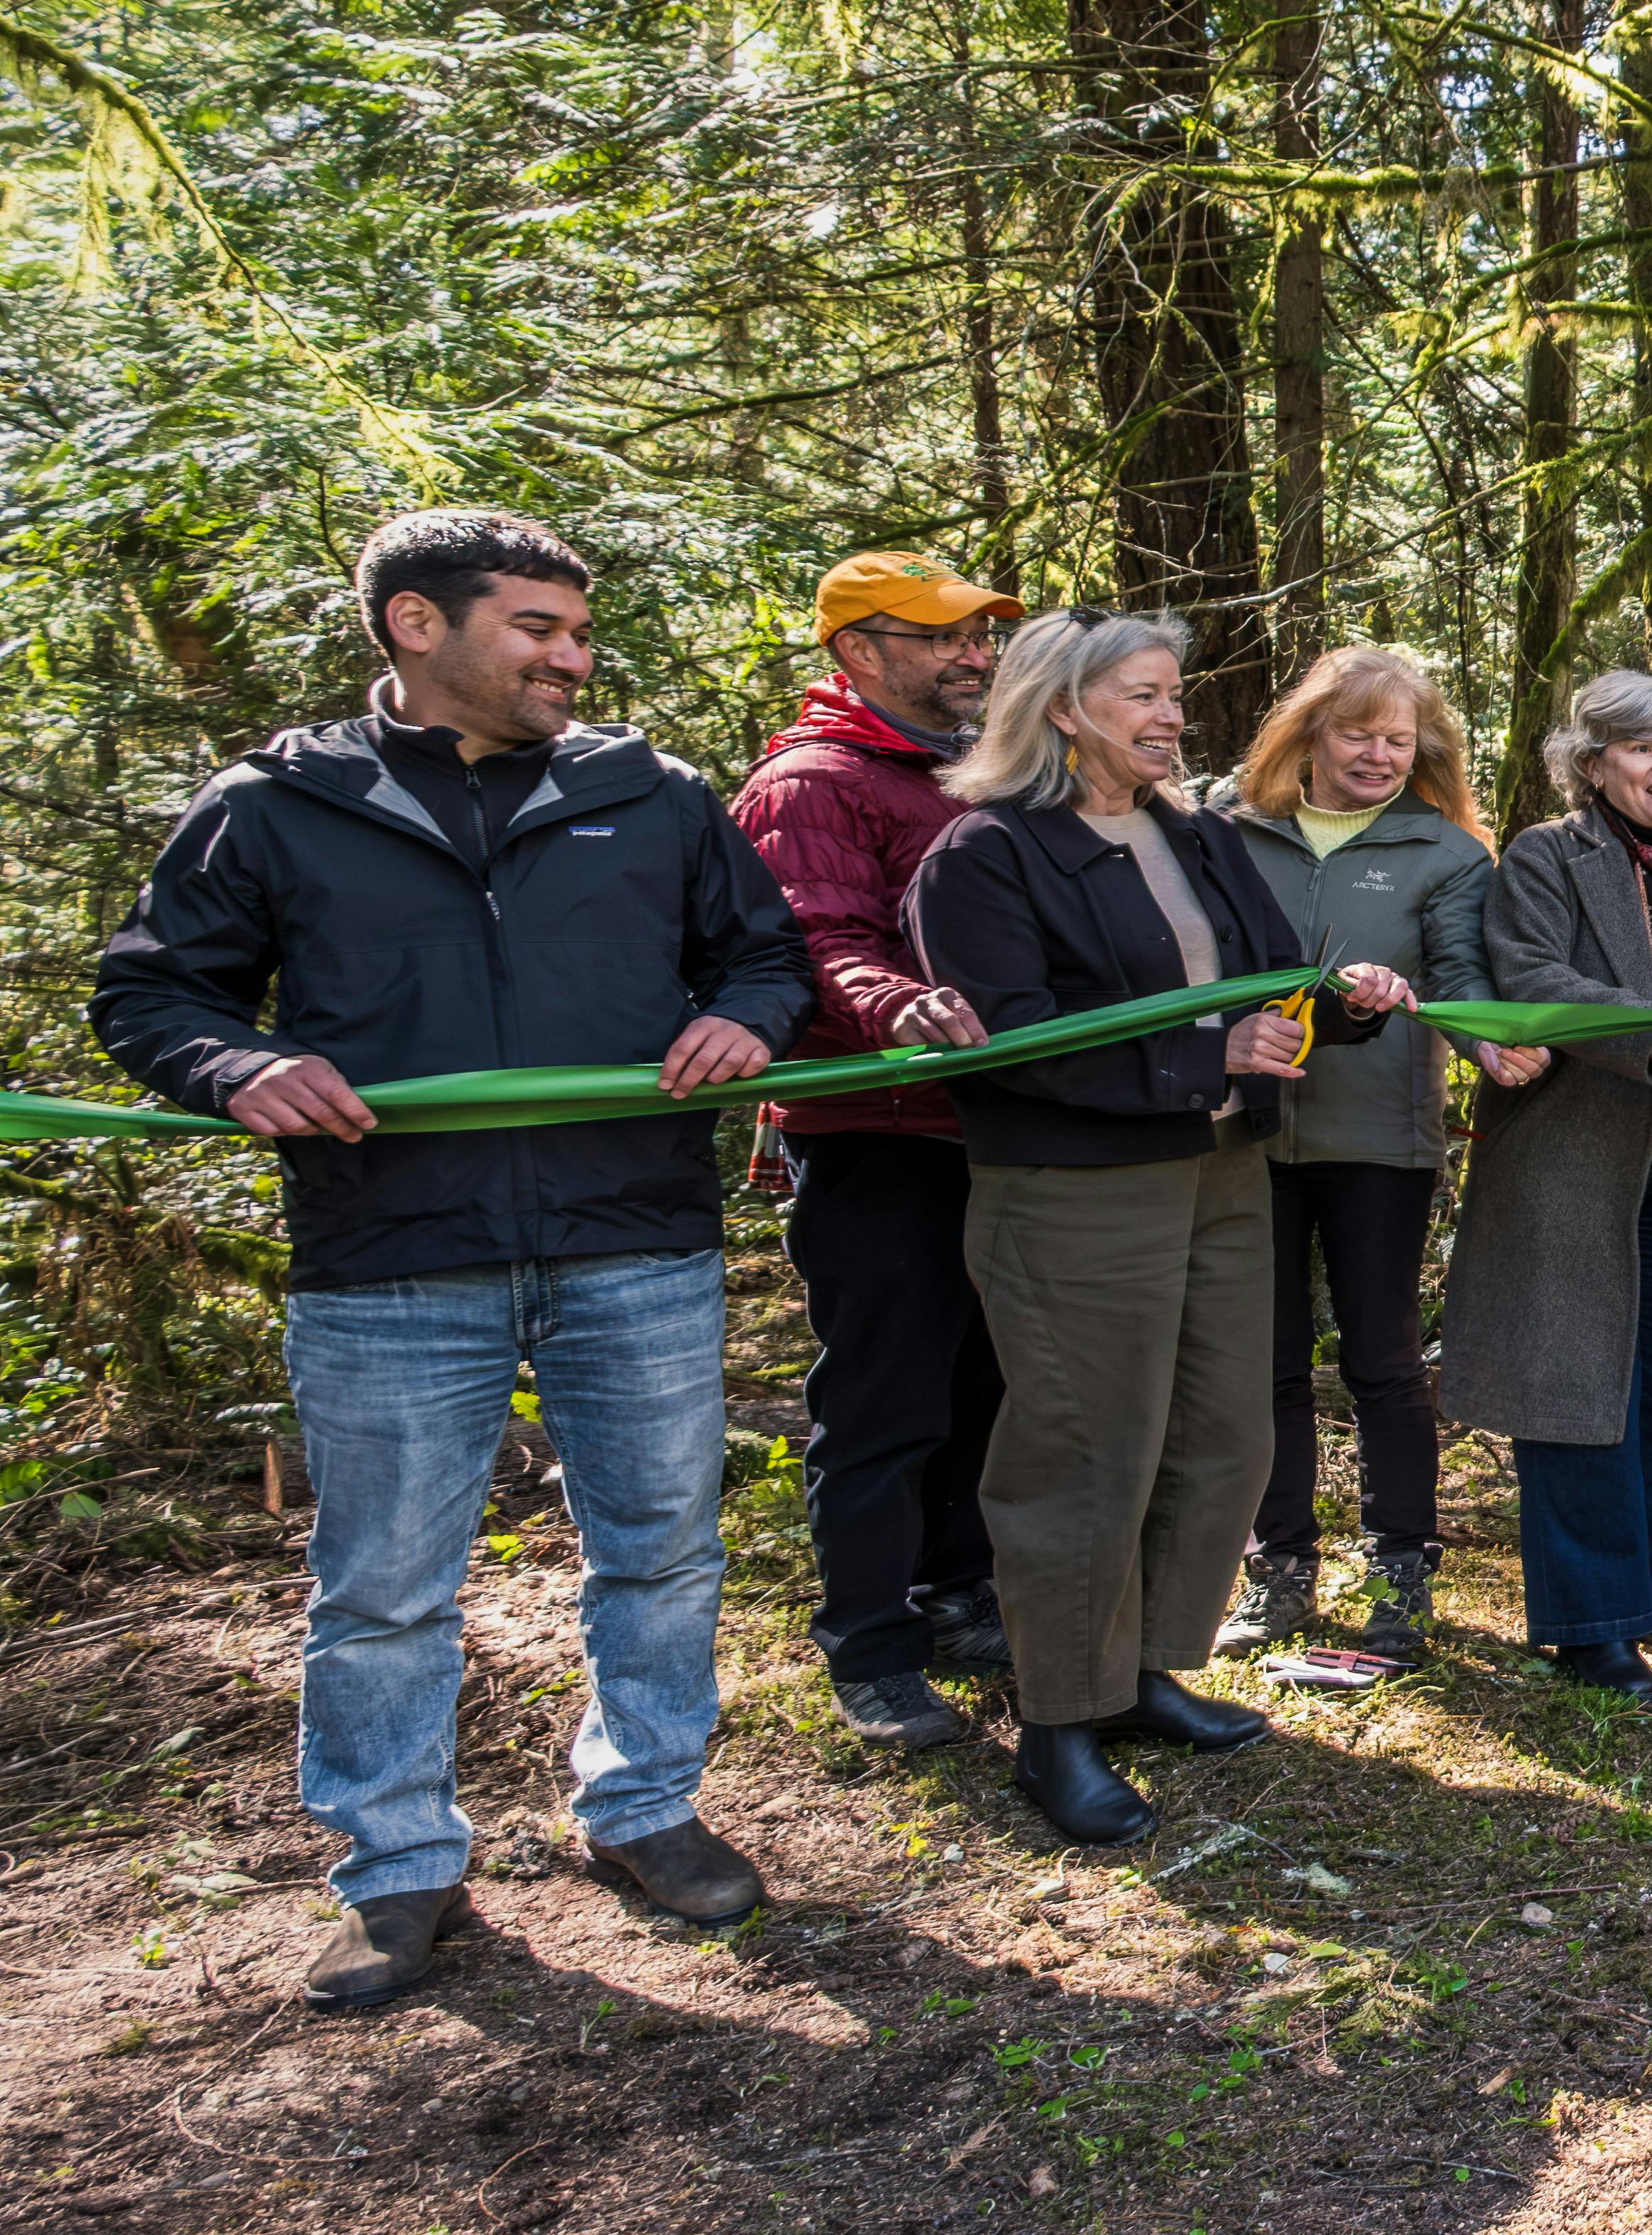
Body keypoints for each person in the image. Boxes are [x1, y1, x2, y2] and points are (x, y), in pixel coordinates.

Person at [95, 510, 816, 2003]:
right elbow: (156, 992)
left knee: (664, 1546)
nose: (574, 656)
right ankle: (398, 1864)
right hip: (389, 1253)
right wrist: (235, 1066)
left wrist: (747, 1018)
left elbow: (763, 953)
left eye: (578, 629)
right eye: (537, 628)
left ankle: (643, 1806)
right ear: (416, 627)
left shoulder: (650, 791)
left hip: (633, 1234)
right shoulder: (279, 803)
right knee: (384, 1583)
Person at [907, 610, 1408, 1846]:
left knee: (1220, 1430)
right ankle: (1058, 1723)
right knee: (1089, 1450)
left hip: (1223, 1166)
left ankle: (1144, 1673)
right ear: (1063, 708)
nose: (1172, 714)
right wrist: (1204, 1054)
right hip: (1078, 1185)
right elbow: (1013, 1043)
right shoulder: (985, 854)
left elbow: (1266, 982)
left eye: (1173, 693)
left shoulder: (1193, 832)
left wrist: (1335, 1010)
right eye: (1143, 694)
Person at [1435, 672, 1652, 1701]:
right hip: (1570, 1159)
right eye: (1643, 750)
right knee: (1580, 1384)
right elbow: (1529, 977)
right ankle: (1591, 1622)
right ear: (1592, 766)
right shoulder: (1547, 858)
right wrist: (1648, 1033)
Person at [730, 551, 1018, 1751]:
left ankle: (958, 1594)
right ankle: (869, 1642)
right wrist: (892, 1004)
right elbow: (808, 941)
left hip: (994, 1129)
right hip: (874, 1137)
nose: (975, 653)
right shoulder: (813, 784)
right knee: (886, 1394)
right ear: (859, 651)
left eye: (980, 634)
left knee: (986, 1383)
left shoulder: (978, 775)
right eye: (944, 635)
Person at [1212, 647, 1496, 1686]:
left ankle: (1400, 1575)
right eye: (1356, 735)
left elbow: (1463, 979)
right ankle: (1278, 1571)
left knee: (1380, 1359)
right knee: (1265, 1361)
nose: (1380, 756)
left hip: (1382, 1139)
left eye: (1398, 738)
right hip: (1243, 1129)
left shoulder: (1447, 852)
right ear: (1308, 739)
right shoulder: (1226, 834)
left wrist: (1487, 1043)